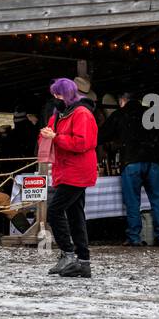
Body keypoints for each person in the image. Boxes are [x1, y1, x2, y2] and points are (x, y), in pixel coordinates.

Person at [44, 77, 99, 277]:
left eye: (57, 94)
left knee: (55, 211)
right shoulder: (59, 114)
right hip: (66, 169)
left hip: (76, 171)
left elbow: (81, 143)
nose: (55, 98)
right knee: (76, 215)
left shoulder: (82, 114)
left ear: (66, 95)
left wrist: (56, 138)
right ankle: (83, 261)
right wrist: (47, 134)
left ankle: (68, 254)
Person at [101, 91, 159, 247]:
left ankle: (134, 237)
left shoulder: (120, 114)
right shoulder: (151, 114)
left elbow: (101, 135)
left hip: (131, 161)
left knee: (133, 202)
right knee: (158, 201)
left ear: (122, 101)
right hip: (153, 161)